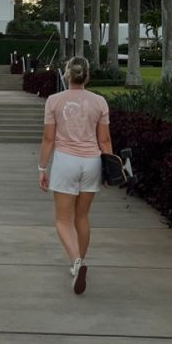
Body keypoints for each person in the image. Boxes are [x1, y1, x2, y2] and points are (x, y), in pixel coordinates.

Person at [37, 56, 112, 296]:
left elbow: (49, 138)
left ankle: (77, 262)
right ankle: (77, 263)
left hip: (65, 162)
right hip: (91, 163)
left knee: (62, 219)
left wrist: (42, 168)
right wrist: (110, 167)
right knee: (82, 216)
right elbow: (105, 140)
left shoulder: (54, 101)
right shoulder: (99, 102)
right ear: (86, 75)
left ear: (67, 75)